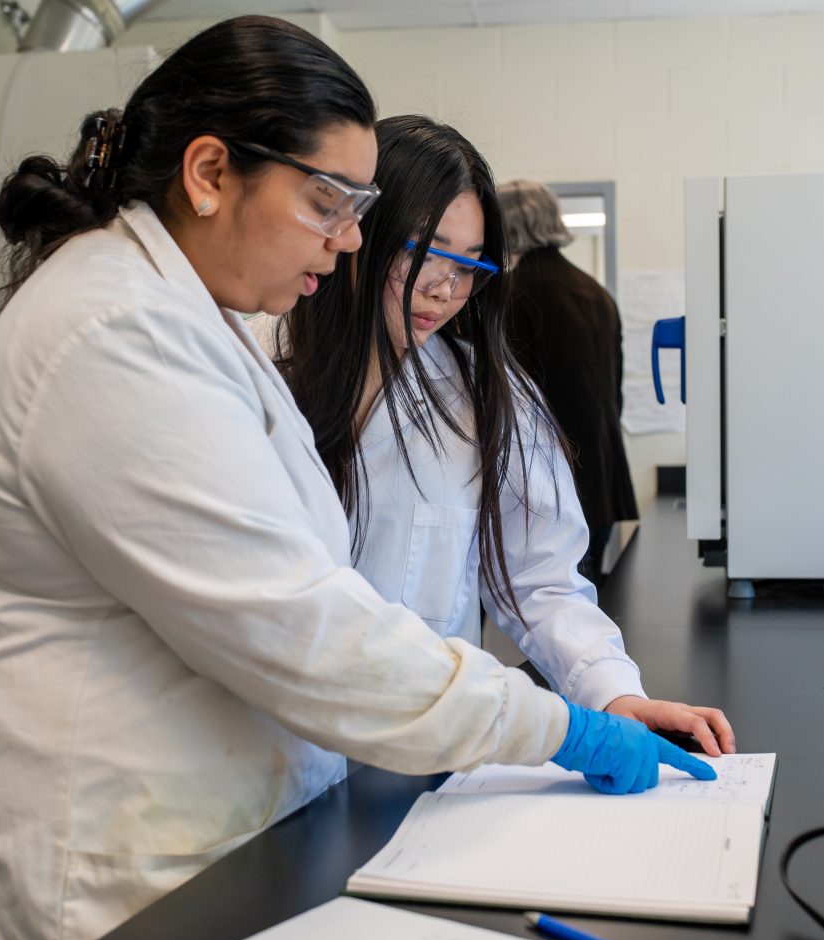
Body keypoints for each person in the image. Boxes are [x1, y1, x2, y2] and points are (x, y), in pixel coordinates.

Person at [0, 20, 715, 940]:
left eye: (362, 211)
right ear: (208, 173)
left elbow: (523, 579)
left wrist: (599, 695)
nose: (352, 238)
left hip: (285, 812)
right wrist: (559, 728)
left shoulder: (197, 324)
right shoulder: (122, 334)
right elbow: (305, 626)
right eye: (331, 203)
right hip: (124, 879)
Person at [278, 115, 734, 763]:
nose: (445, 287)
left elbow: (539, 579)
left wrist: (613, 695)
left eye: (467, 265)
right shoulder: (268, 377)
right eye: (424, 252)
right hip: (281, 757)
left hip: (421, 761)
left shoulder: (487, 396)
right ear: (359, 232)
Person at [498, 179, 638, 585]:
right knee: (587, 608)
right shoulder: (596, 293)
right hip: (605, 480)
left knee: (555, 615)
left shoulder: (512, 294)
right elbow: (614, 392)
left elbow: (509, 402)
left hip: (552, 488)